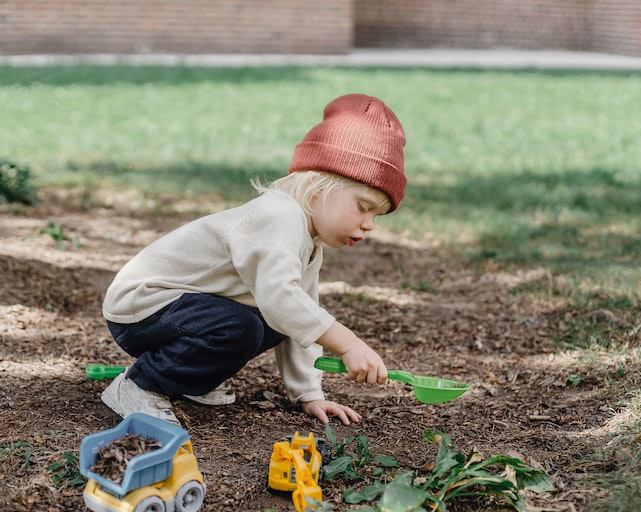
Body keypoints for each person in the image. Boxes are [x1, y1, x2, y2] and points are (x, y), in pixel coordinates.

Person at [100, 93, 407, 426]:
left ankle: (189, 380)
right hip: (141, 306)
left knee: (279, 320)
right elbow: (281, 300)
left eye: (378, 216)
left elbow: (300, 317)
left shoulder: (309, 240)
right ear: (318, 188)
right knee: (245, 326)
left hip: (181, 310)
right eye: (363, 207)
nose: (369, 224)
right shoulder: (279, 216)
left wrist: (309, 394)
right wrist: (349, 344)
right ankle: (140, 386)